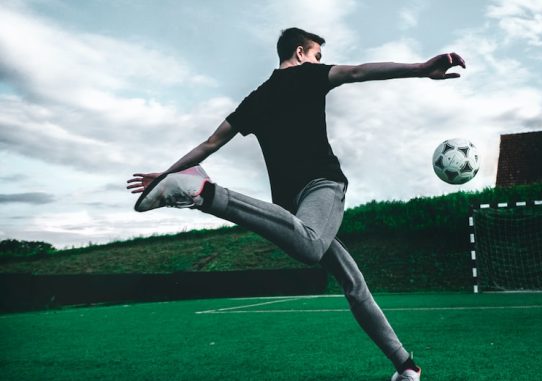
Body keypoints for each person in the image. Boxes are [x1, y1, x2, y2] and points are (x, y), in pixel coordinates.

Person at [127, 27, 465, 381]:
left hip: (292, 208)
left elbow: (210, 144)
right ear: (302, 52)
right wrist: (421, 68)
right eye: (318, 54)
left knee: (353, 282)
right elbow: (357, 71)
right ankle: (208, 194)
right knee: (311, 246)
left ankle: (406, 367)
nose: (321, 61)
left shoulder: (255, 99)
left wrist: (167, 174)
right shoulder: (310, 75)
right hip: (323, 186)